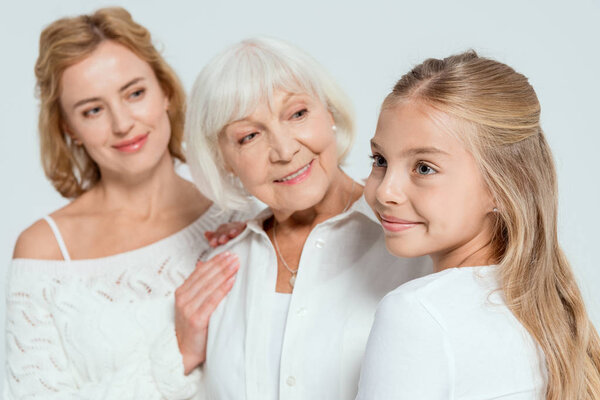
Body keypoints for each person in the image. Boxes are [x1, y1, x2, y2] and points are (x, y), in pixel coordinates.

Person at [5, 7, 250, 399]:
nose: (122, 124)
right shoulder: (45, 252)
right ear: (69, 128)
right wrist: (178, 353)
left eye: (135, 93)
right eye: (93, 110)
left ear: (165, 90)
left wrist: (257, 241)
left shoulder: (239, 212)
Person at [181, 37, 431, 400]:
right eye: (249, 136)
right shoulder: (219, 266)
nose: (284, 150)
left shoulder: (415, 241)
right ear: (224, 161)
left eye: (297, 114)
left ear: (329, 113)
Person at [356, 51, 600, 399]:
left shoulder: (416, 314)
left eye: (424, 168)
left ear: (503, 186)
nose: (385, 191)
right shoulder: (545, 313)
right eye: (379, 160)